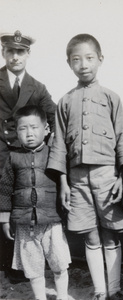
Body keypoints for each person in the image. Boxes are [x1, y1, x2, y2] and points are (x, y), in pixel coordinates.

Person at [47, 34, 123, 300]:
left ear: (100, 59)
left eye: (89, 58)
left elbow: (121, 140)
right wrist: (63, 183)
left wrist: (120, 177)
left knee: (110, 233)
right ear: (69, 64)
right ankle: (100, 291)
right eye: (76, 60)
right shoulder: (65, 102)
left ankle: (114, 289)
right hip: (77, 179)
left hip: (108, 176)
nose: (84, 64)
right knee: (90, 236)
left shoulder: (111, 98)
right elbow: (59, 144)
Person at [0, 30, 57, 283]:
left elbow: (54, 118)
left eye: (20, 51)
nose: (15, 56)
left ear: (28, 54)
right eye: (10, 51)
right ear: (3, 52)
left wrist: (49, 147)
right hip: (0, 152)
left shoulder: (37, 87)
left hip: (22, 157)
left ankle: (17, 269)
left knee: (19, 208)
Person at [0, 106, 71, 300]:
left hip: (52, 221)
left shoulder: (53, 155)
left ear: (46, 129)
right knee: (33, 267)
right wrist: (5, 218)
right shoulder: (13, 157)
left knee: (59, 263)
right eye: (23, 129)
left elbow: (65, 181)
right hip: (24, 225)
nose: (29, 133)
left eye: (34, 127)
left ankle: (62, 296)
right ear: (16, 132)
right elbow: (5, 189)